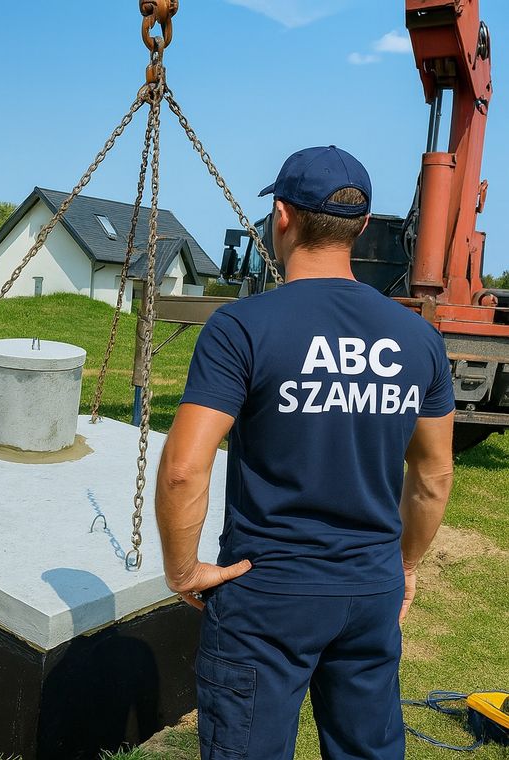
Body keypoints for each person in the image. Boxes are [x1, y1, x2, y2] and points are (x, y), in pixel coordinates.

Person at [154, 146, 456, 759]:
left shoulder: (241, 327)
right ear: (362, 227)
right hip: (369, 590)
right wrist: (406, 567)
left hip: (267, 593)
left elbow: (185, 469)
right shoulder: (420, 339)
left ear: (282, 217)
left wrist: (183, 570)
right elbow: (434, 476)